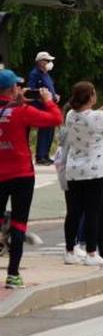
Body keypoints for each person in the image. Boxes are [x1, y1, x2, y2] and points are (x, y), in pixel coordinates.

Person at [0, 70, 63, 287]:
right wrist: (47, 101)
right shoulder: (22, 111)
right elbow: (56, 118)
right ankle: (13, 275)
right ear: (12, 89)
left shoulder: (16, 107)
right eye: (18, 85)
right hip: (21, 174)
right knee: (19, 225)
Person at [62, 82, 103, 265]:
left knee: (73, 212)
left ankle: (70, 250)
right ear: (91, 97)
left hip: (74, 170)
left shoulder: (71, 115)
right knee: (93, 212)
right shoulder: (97, 118)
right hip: (95, 170)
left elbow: (91, 115)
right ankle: (91, 252)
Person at [26, 51, 58, 164]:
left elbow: (50, 88)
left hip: (49, 105)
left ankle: (46, 154)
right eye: (47, 61)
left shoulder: (46, 74)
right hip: (41, 106)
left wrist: (55, 96)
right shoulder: (35, 74)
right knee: (44, 130)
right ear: (40, 62)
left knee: (50, 131)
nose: (50, 63)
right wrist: (42, 97)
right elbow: (31, 90)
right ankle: (40, 156)